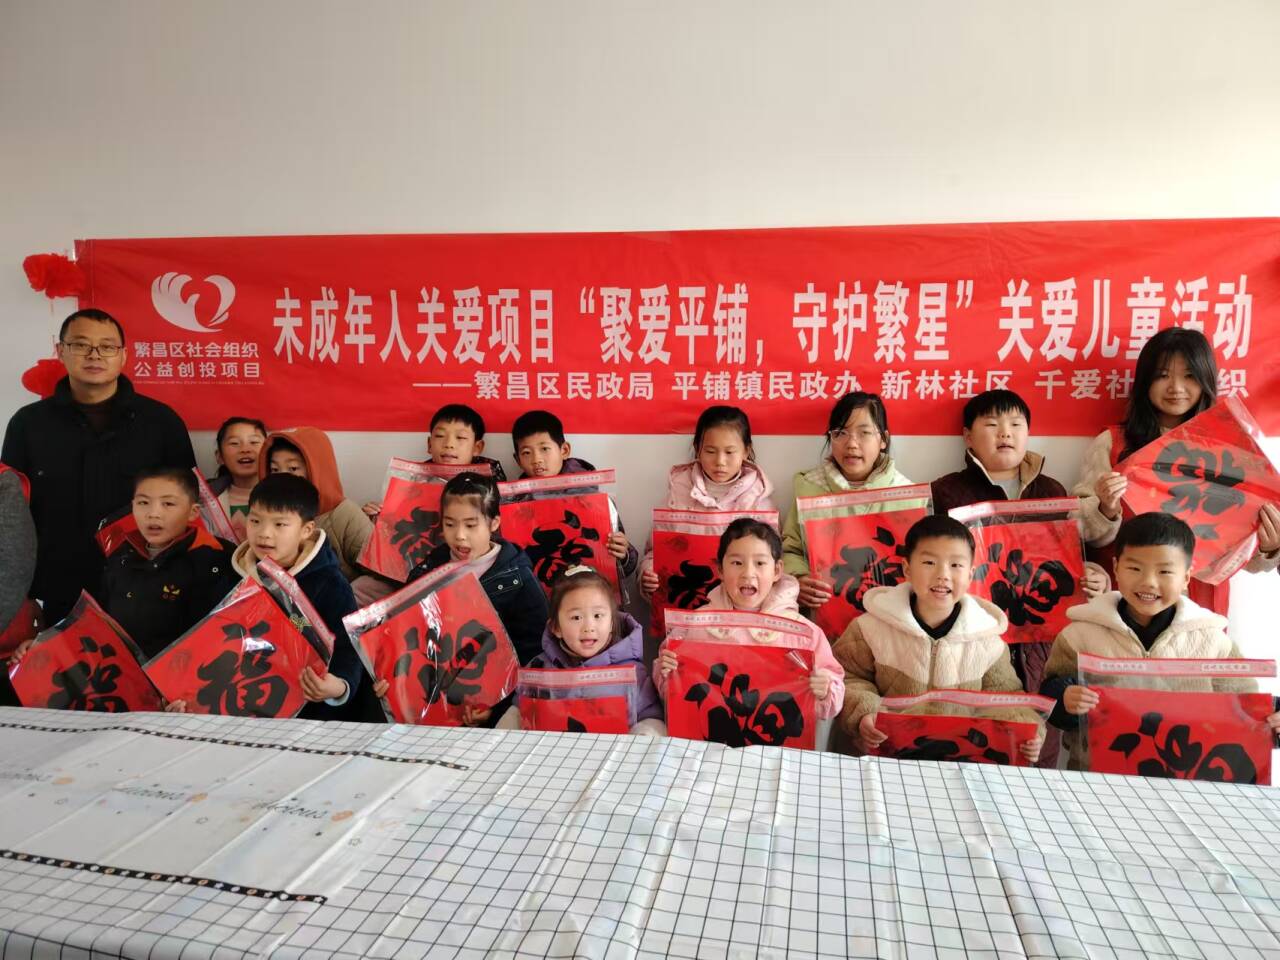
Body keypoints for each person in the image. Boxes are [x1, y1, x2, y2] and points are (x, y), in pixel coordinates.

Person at [1040, 512, 1280, 770]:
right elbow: (1049, 695)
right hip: (1099, 777)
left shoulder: (1213, 641)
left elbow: (1244, 708)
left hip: (1189, 779)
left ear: (1186, 576)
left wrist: (1273, 717)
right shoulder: (1079, 634)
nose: (1149, 582)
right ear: (1116, 568)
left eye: (1165, 571)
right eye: (1135, 568)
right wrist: (1064, 700)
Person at [2, 308, 195, 622]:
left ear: (123, 356)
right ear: (60, 351)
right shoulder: (28, 424)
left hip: (148, 587)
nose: (95, 355)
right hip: (58, 589)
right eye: (81, 345)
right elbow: (10, 518)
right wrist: (20, 595)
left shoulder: (161, 422)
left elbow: (188, 509)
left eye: (107, 346)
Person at [1072, 327, 1280, 614]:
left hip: (1199, 603)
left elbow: (1240, 555)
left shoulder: (1233, 449)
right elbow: (1077, 532)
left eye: (1190, 376)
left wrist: (1269, 548)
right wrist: (1105, 509)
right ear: (1145, 381)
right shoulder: (1114, 444)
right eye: (1162, 375)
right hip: (1127, 600)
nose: (1176, 387)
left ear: (1206, 380)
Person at [832, 514, 1044, 763]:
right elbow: (847, 676)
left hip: (960, 764)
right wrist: (865, 713)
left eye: (956, 565)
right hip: (887, 758)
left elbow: (1006, 697)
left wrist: (1026, 729)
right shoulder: (870, 628)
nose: (943, 575)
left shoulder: (987, 639)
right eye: (929, 562)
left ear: (971, 574)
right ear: (907, 568)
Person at [653, 518, 844, 722]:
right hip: (709, 734)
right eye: (737, 563)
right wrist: (666, 671)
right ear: (720, 570)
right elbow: (670, 690)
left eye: (760, 563)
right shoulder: (696, 624)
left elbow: (832, 697)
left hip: (772, 737)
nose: (748, 573)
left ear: (777, 570)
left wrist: (826, 689)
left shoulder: (804, 633)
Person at [780, 392, 919, 610]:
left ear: (883, 439)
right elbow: (791, 549)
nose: (852, 444)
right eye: (841, 433)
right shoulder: (810, 487)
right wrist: (799, 578)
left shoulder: (907, 496)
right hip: (825, 613)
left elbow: (920, 561)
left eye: (864, 433)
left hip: (890, 616)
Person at [497, 566, 665, 735]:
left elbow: (650, 717)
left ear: (612, 624)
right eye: (576, 617)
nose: (588, 627)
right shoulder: (539, 667)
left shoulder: (632, 673)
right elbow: (518, 712)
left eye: (598, 616)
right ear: (556, 627)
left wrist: (644, 737)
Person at [98, 467, 237, 659]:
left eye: (168, 504)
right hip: (126, 669)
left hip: (184, 670)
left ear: (193, 512)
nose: (153, 513)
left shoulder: (214, 559)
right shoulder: (120, 556)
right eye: (143, 502)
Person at [638, 405, 775, 600]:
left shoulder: (758, 501)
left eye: (729, 452)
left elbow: (772, 564)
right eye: (710, 451)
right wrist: (649, 573)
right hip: (686, 609)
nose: (720, 461)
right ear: (698, 449)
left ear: (746, 451)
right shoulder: (677, 495)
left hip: (739, 610)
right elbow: (655, 552)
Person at [508, 409, 638, 584]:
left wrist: (624, 555)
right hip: (538, 598)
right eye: (526, 452)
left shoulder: (594, 498)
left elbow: (625, 566)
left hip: (590, 596)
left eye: (544, 449)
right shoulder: (512, 505)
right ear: (517, 460)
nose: (537, 459)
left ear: (564, 450)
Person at [260, 428, 373, 581]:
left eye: (293, 468)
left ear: (317, 469)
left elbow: (383, 576)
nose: (282, 477)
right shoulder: (264, 514)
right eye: (274, 469)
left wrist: (348, 594)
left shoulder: (346, 514)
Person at [361, 403, 507, 517]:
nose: (449, 444)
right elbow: (397, 523)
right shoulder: (414, 480)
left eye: (460, 437)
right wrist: (377, 517)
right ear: (429, 444)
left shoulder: (491, 480)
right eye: (440, 436)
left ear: (477, 447)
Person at [205, 416, 267, 540]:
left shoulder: (287, 495)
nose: (245, 449)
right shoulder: (203, 499)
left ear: (268, 452)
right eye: (234, 443)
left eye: (254, 442)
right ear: (219, 457)